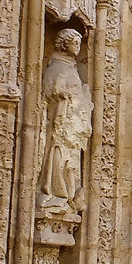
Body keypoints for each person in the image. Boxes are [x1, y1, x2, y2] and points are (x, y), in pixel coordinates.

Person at [39, 28, 94, 211]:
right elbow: (51, 90)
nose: (78, 47)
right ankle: (55, 193)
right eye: (74, 43)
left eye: (79, 44)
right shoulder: (57, 66)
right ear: (64, 44)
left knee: (70, 161)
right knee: (59, 157)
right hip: (60, 123)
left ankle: (67, 195)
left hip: (72, 125)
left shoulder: (71, 68)